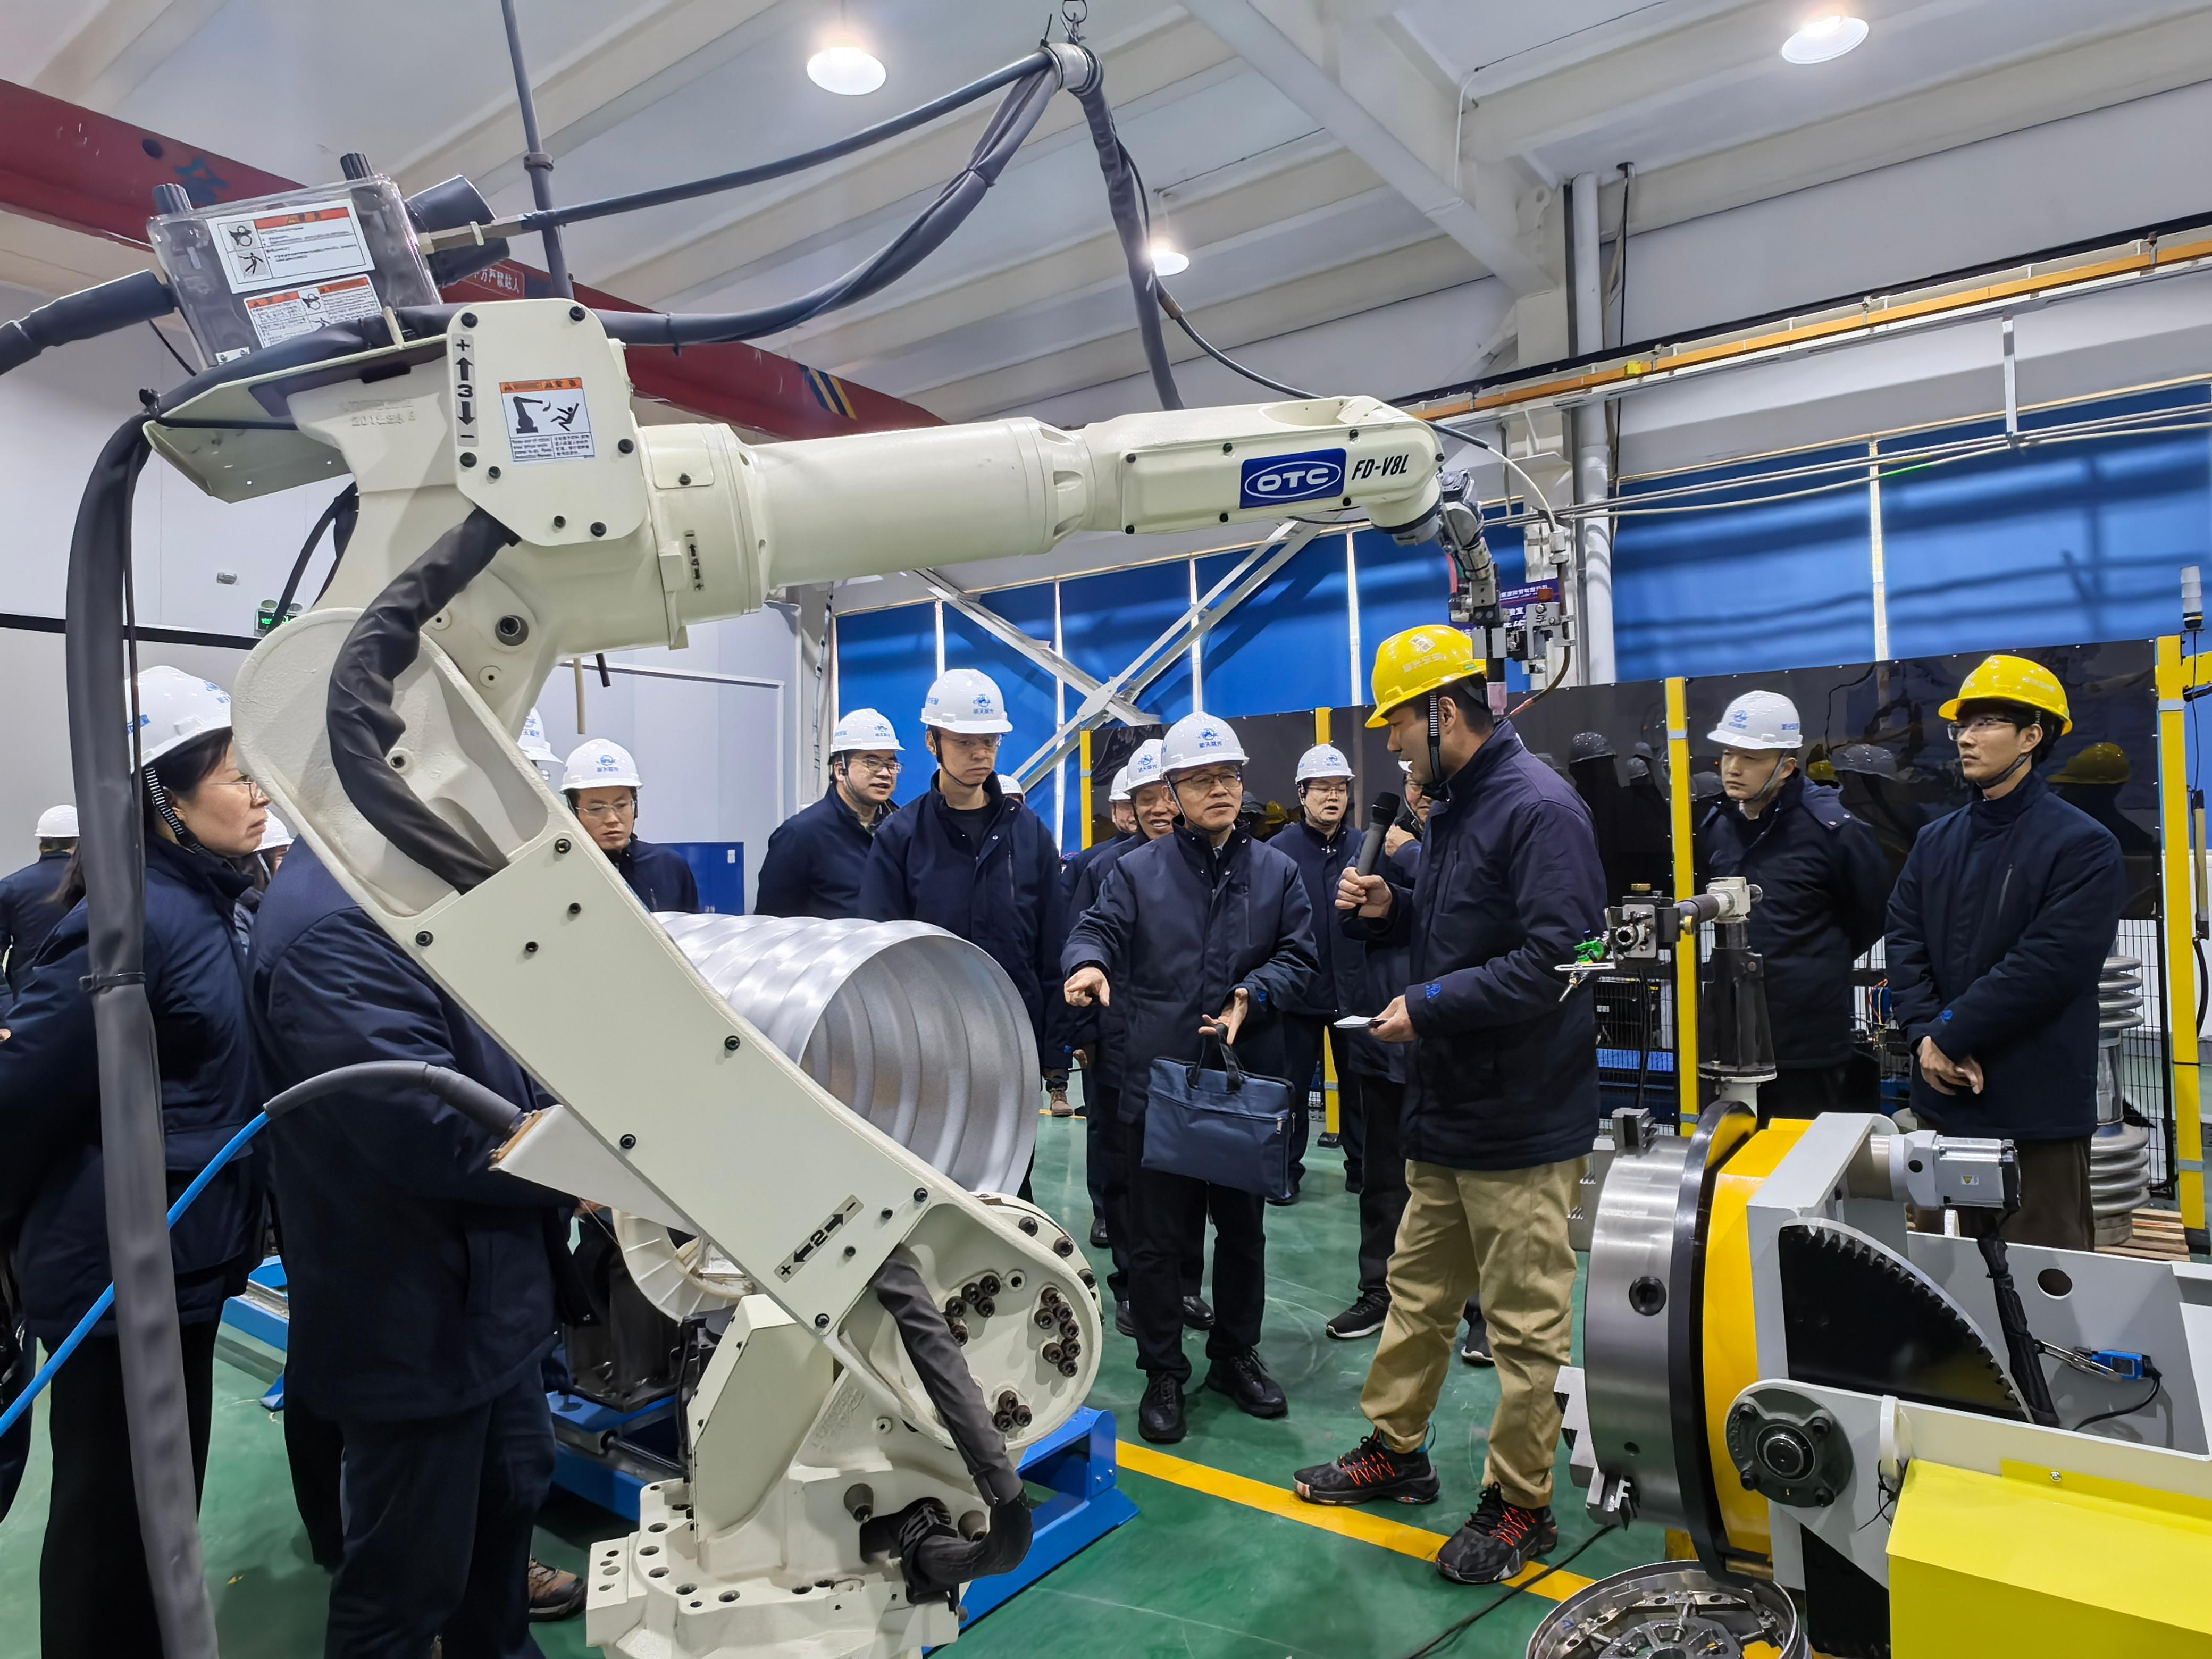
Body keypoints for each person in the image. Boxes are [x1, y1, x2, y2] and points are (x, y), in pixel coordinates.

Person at [1294, 624, 1604, 1589]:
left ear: (1443, 714)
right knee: (1419, 1298)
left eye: (1397, 725)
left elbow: (1562, 958)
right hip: (1450, 1110)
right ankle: (1398, 1449)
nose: (1390, 746)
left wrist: (1426, 1006)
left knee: (1524, 1327)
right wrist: (1396, 910)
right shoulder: (1458, 810)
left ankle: (1521, 1503)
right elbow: (1470, 929)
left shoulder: (1538, 808)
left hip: (1521, 1117)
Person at [251, 831, 585, 1652]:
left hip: (487, 1299)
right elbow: (428, 1126)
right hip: (417, 1316)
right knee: (406, 1577)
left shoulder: (399, 888)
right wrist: (587, 1165)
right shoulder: (333, 928)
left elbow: (501, 1051)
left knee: (505, 1511)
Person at [0, 667, 267, 1656]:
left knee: (161, 1511)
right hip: (117, 1275)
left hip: (180, 1263)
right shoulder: (134, 917)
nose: (261, 795)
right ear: (164, 794)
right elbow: (23, 1090)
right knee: (111, 1525)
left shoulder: (214, 901)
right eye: (238, 777)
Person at [1065, 714, 1314, 1444]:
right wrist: (1088, 964)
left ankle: (1234, 1356)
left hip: (1240, 1085)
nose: (1220, 790)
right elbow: (1095, 930)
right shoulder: (1135, 873)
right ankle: (1163, 1372)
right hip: (1160, 1085)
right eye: (1202, 779)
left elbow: (1300, 957)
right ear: (1171, 792)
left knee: (1242, 1233)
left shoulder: (1276, 872)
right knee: (1156, 1241)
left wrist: (1251, 995)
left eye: (1229, 776)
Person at [1885, 655, 2126, 1250]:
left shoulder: (2083, 845)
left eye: (1986, 723)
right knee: (1944, 1269)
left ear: (2031, 737)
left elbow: (2049, 964)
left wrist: (1948, 1035)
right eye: (1962, 726)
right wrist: (1926, 1038)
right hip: (1943, 1096)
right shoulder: (1935, 841)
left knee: (2045, 1273)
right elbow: (1904, 938)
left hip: (2034, 1106)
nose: (1966, 738)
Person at [861, 669, 1071, 1166]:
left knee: (1011, 1172)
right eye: (965, 742)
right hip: (929, 1043)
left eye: (990, 741)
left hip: (1014, 1037)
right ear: (932, 742)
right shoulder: (901, 838)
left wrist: (1055, 1054)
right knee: (933, 1171)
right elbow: (878, 953)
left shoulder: (1028, 834)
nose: (981, 754)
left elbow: (1053, 949)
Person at [1065, 742, 1211, 1335]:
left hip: (1185, 1046)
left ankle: (1185, 1285)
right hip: (1119, 1044)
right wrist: (1084, 1037)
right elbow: (1079, 949)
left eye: (1163, 797)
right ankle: (1133, 1287)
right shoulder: (1107, 869)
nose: (1157, 809)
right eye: (1144, 799)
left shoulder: (1204, 867)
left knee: (1190, 1172)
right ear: (1129, 806)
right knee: (1126, 1173)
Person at [1696, 691, 1891, 1117]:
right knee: (1728, 1149)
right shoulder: (1719, 826)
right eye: (1728, 753)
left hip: (1807, 1043)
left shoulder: (1833, 831)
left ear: (1786, 766)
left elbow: (1872, 914)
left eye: (1750, 757)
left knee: (1798, 1152)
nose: (1732, 768)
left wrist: (1811, 964)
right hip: (1730, 1038)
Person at [1274, 744, 1365, 1207]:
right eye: (1323, 788)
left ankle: (1363, 1170)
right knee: (1289, 1089)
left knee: (1361, 1088)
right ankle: (1283, 1173)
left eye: (1341, 788)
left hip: (1355, 992)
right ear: (1302, 794)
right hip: (1299, 993)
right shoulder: (1278, 854)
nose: (1333, 797)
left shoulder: (1366, 848)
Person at [753, 708, 902, 919]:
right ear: (840, 770)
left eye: (891, 764)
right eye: (872, 763)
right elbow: (773, 923)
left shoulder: (901, 829)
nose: (885, 773)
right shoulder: (800, 835)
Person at [562, 738, 698, 912]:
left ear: (635, 806)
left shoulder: (669, 867)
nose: (612, 819)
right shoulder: (559, 871)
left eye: (621, 806)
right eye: (596, 809)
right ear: (573, 812)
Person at [0, 804, 77, 1023]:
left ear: (42, 843)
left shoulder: (11, 887)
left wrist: (5, 1013)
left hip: (28, 1010)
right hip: (88, 1008)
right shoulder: (101, 887)